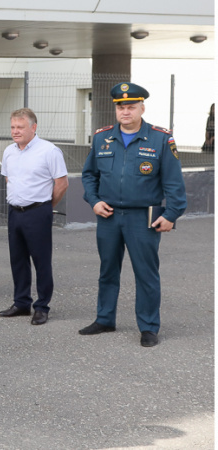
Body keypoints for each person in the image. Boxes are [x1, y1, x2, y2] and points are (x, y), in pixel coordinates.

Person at [79, 82, 187, 347]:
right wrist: (93, 201)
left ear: (142, 108)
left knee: (146, 273)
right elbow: (89, 175)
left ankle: (149, 327)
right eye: (121, 107)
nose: (125, 111)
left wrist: (172, 214)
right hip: (108, 216)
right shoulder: (102, 138)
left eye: (131, 106)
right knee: (107, 270)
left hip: (143, 218)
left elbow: (173, 183)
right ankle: (105, 319)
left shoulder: (161, 139)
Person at [0, 108, 68, 326]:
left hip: (38, 211)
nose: (15, 131)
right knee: (17, 260)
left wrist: (45, 206)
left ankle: (42, 306)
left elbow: (62, 183)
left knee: (41, 261)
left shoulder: (49, 151)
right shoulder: (9, 151)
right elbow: (9, 179)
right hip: (15, 212)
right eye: (13, 127)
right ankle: (21, 302)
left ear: (33, 128)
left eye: (20, 127)